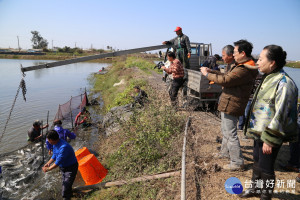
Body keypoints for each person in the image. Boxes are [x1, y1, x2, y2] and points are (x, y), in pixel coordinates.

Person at [240, 45, 298, 200]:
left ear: (272, 62)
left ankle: (265, 195)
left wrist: (270, 139)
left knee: (266, 166)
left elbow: (282, 114)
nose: (257, 62)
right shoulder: (269, 77)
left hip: (270, 134)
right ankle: (255, 189)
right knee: (257, 161)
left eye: (260, 59)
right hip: (260, 131)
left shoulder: (284, 82)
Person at [201, 40, 258, 171]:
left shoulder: (244, 69)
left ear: (242, 53)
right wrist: (212, 72)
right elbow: (228, 76)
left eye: (235, 52)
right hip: (229, 103)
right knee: (226, 131)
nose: (233, 54)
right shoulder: (242, 66)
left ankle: (237, 162)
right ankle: (224, 153)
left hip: (232, 104)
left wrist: (207, 74)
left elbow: (226, 80)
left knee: (231, 133)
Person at [42, 130, 78, 200]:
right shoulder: (55, 143)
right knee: (66, 184)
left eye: (48, 140)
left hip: (70, 168)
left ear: (51, 140)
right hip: (63, 168)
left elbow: (57, 163)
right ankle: (70, 193)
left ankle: (67, 197)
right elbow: (55, 154)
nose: (48, 141)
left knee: (64, 191)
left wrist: (48, 169)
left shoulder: (64, 147)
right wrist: (48, 163)